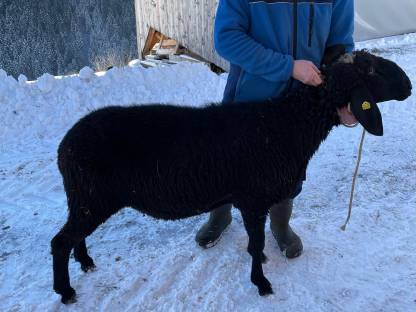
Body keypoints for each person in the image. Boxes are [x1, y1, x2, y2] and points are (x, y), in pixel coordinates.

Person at [195, 0, 355, 257]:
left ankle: (280, 225)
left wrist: (343, 96)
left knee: (289, 169)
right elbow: (226, 38)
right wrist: (288, 67)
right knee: (227, 165)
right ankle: (220, 215)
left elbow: (340, 46)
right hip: (248, 100)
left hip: (303, 105)